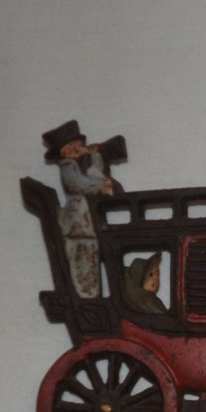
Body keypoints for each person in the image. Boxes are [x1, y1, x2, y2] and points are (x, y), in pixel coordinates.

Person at [42, 120, 127, 298]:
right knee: (82, 259)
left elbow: (95, 172)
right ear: (67, 151)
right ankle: (86, 296)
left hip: (88, 224)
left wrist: (95, 155)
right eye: (77, 147)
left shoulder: (82, 165)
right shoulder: (68, 165)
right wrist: (100, 185)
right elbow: (76, 184)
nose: (82, 149)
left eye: (81, 146)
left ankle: (91, 295)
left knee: (90, 256)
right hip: (77, 224)